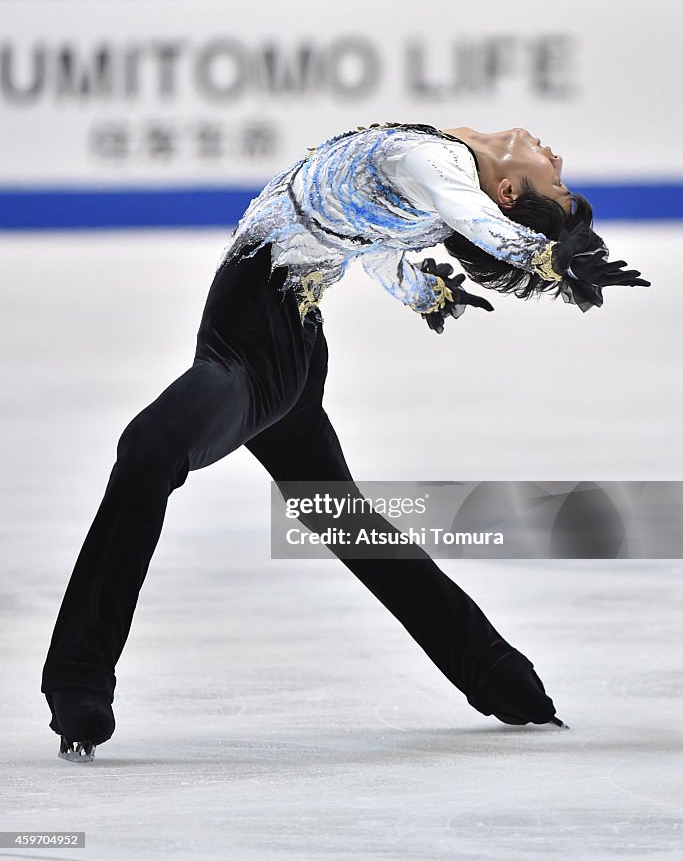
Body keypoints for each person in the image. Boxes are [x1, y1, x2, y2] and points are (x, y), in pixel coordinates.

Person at [42, 122, 649, 761]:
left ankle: (77, 677)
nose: (556, 159)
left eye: (553, 180)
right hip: (293, 339)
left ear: (506, 190)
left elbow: (477, 220)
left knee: (148, 449)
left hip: (256, 351)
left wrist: (544, 257)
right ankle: (500, 677)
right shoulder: (437, 183)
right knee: (344, 517)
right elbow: (370, 238)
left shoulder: (435, 163)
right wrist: (423, 289)